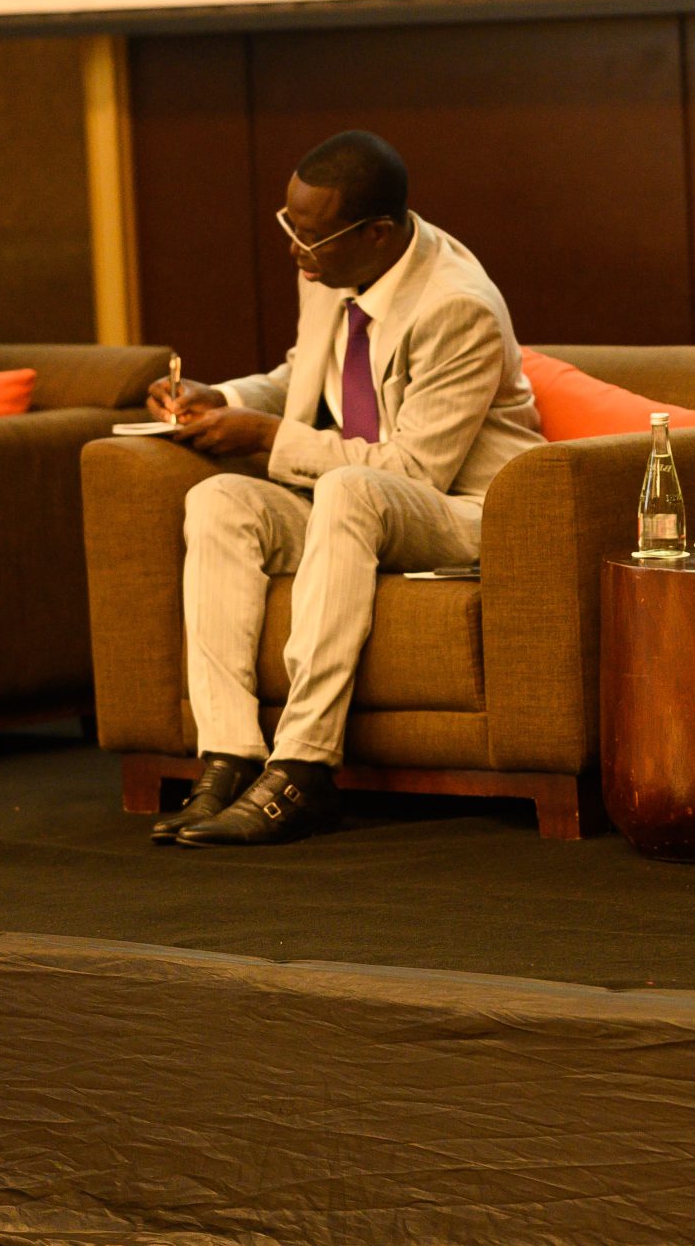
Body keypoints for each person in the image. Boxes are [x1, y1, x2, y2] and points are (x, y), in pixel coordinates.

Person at [146, 131, 542, 847]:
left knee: (351, 489)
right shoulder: (330, 270)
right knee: (218, 500)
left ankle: (304, 766)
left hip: (465, 509)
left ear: (377, 233)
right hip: (360, 504)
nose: (295, 248)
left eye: (312, 236)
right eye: (289, 225)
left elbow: (413, 473)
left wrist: (266, 437)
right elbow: (307, 371)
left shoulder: (458, 307)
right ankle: (230, 756)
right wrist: (223, 397)